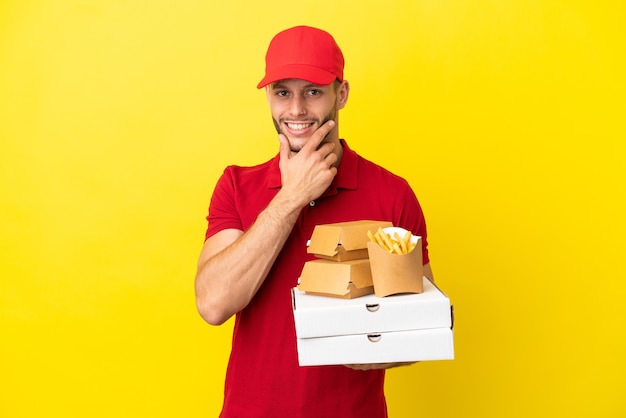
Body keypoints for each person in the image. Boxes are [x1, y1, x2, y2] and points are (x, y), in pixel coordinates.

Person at [195, 25, 434, 418]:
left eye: (313, 91)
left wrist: (383, 349)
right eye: (282, 93)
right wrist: (291, 198)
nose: (296, 110)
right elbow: (213, 304)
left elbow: (420, 324)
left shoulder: (392, 194)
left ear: (341, 94)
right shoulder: (236, 186)